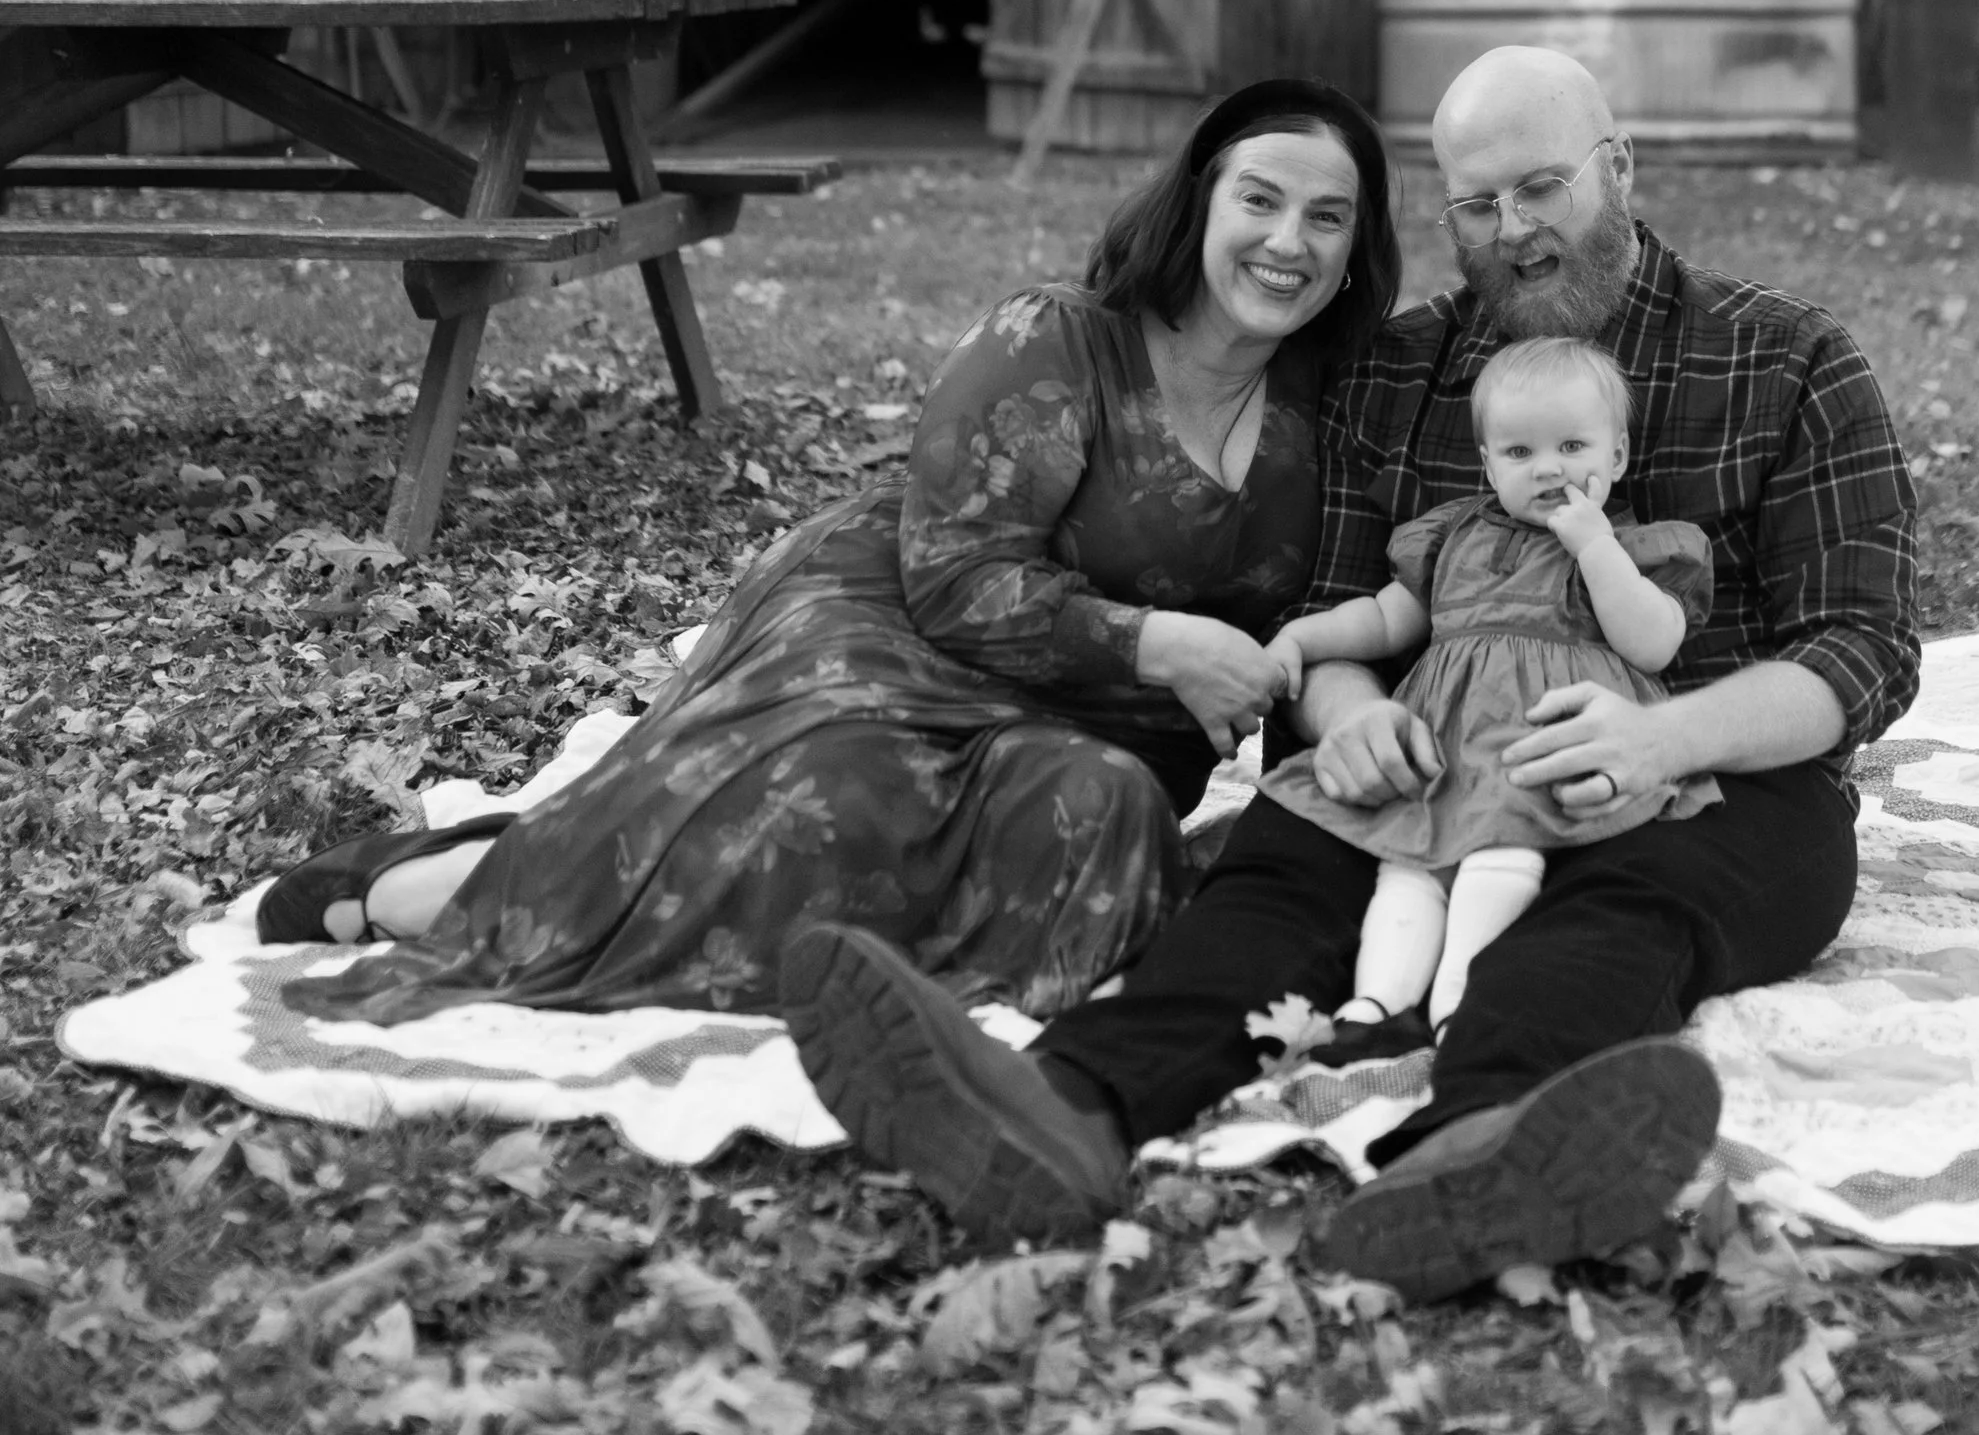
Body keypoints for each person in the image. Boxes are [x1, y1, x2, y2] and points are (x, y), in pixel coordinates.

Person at [779, 42, 1921, 1301]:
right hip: (1435, 755)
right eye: (1477, 207)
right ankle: (1059, 1107)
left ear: (1619, 169)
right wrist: (1357, 717)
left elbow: (1859, 651)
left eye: (1542, 189)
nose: (1515, 233)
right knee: (1281, 872)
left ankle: (1479, 1151)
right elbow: (1334, 610)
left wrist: (1663, 741)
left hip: (1704, 779)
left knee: (1619, 913)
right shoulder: (1398, 369)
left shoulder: (1792, 360)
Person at [257, 75, 1399, 1028]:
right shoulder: (1058, 339)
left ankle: (646, 885)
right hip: (897, 627)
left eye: (1326, 218)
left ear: (1356, 252)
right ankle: (445, 891)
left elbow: (1372, 590)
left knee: (1106, 824)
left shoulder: (1337, 412)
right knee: (841, 799)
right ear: (1202, 200)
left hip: (1105, 721)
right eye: (1260, 199)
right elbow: (955, 576)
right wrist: (1158, 646)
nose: (1286, 243)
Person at [1259, 335, 1713, 1046]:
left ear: (1616, 457)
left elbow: (1653, 643)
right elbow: (1384, 619)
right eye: (1520, 453)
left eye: (1572, 447)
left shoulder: (1631, 548)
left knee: (1501, 860)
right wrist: (1302, 641)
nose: (1549, 470)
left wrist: (1592, 545)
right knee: (1408, 868)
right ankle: (1376, 1003)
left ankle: (1458, 1004)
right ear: (1488, 463)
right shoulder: (1452, 537)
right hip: (1446, 736)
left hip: (1542, 739)